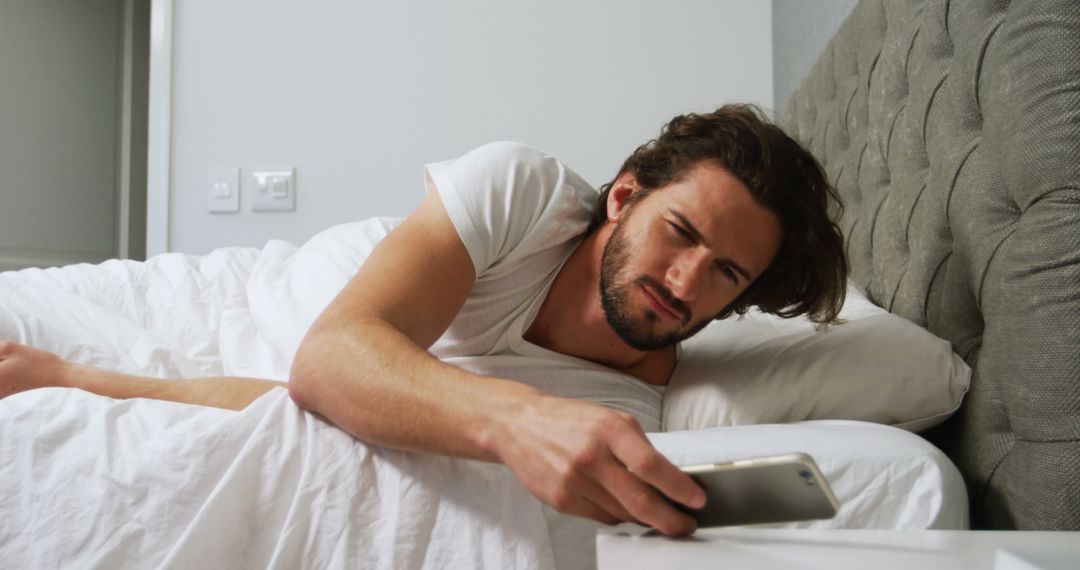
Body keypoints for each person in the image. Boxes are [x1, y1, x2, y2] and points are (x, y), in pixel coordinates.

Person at [0, 104, 847, 537]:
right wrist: (522, 422)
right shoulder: (527, 193)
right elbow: (332, 358)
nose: (686, 280)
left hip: (305, 377)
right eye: (682, 232)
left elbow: (328, 420)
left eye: (726, 273)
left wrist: (84, 384)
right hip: (291, 308)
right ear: (623, 197)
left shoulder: (634, 418)